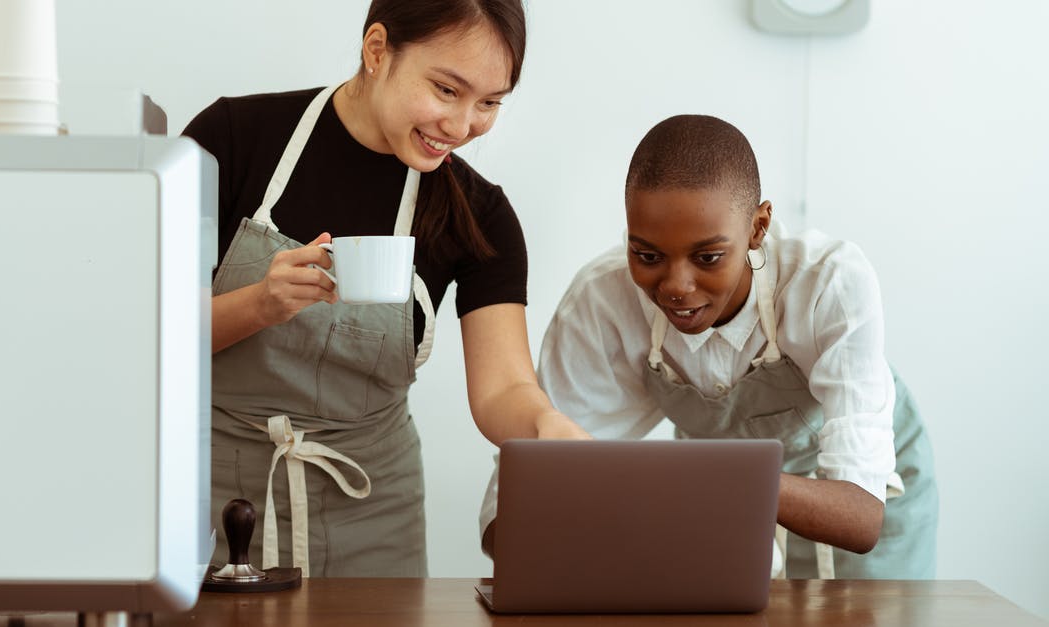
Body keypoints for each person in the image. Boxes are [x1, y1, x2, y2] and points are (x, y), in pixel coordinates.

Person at [182, 0, 588, 578]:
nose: (463, 125)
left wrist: (545, 425)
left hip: (374, 515)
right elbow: (146, 332)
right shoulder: (232, 139)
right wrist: (259, 303)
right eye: (447, 90)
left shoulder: (481, 215)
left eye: (490, 102)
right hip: (209, 498)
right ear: (377, 50)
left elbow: (503, 388)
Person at [479, 114, 938, 578]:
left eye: (708, 257)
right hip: (728, 508)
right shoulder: (602, 303)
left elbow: (861, 519)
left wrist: (706, 480)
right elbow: (517, 505)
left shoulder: (828, 283)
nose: (676, 286)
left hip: (865, 494)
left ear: (758, 227)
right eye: (648, 255)